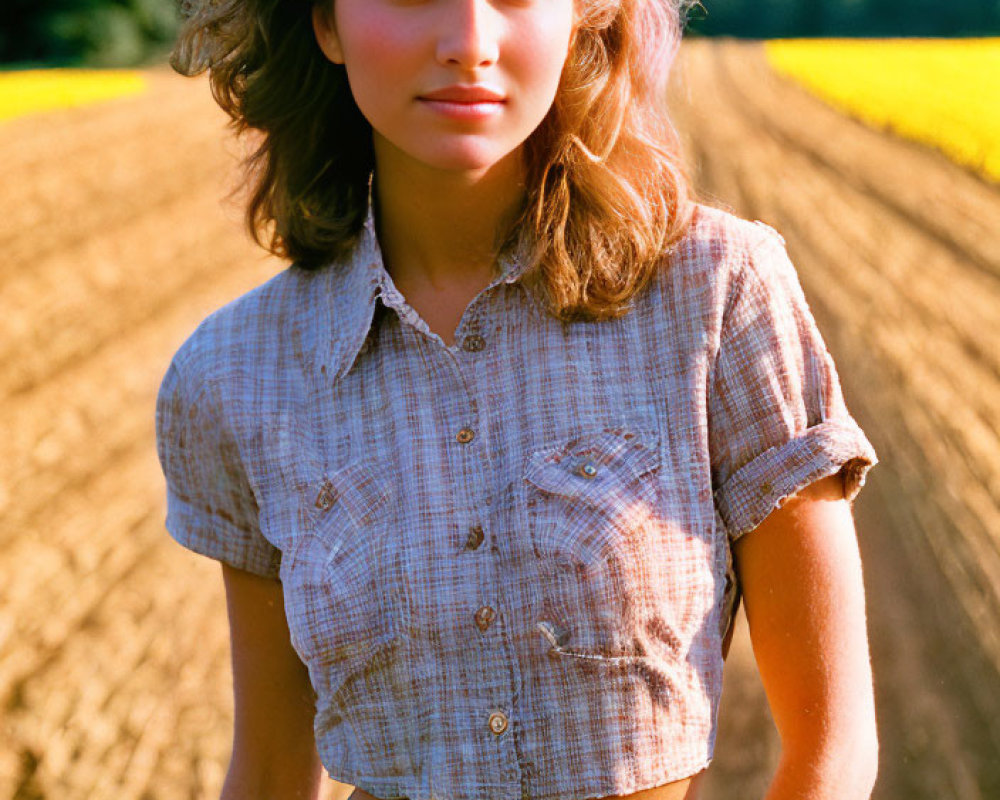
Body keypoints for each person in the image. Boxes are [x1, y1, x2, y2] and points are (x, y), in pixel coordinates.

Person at [155, 1, 881, 799]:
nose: (469, 42)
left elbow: (832, 751)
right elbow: (267, 772)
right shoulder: (235, 374)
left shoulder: (719, 292)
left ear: (581, 16)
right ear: (326, 23)